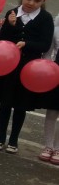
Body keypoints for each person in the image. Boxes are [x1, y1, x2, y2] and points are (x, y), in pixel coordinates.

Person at [0, 0, 54, 154]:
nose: (31, 3)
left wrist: (26, 44)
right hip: (10, 66)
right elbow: (3, 39)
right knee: (5, 102)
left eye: (37, 0)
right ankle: (0, 136)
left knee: (20, 105)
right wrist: (11, 25)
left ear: (43, 1)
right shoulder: (12, 13)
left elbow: (45, 45)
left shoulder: (45, 18)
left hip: (29, 67)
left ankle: (13, 140)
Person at [37, 14, 59, 163]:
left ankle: (58, 148)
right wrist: (46, 70)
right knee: (52, 111)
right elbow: (48, 52)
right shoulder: (57, 27)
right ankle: (48, 146)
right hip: (57, 71)